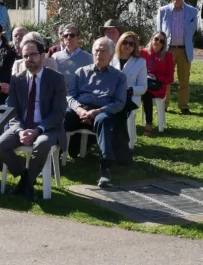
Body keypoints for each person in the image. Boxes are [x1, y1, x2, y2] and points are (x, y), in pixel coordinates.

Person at [0, 34, 68, 201]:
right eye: (25, 56)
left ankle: (26, 184)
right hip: (22, 125)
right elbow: (12, 110)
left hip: (47, 127)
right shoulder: (17, 79)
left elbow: (59, 112)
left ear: (43, 56)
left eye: (33, 55)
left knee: (41, 143)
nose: (28, 59)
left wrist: (37, 130)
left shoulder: (56, 79)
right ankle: (26, 178)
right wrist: (19, 130)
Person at [65, 37, 127, 187]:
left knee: (103, 120)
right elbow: (70, 96)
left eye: (103, 51)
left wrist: (97, 111)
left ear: (111, 56)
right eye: (96, 50)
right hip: (80, 110)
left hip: (102, 111)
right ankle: (51, 157)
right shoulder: (81, 72)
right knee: (63, 116)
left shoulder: (119, 77)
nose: (99, 54)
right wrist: (79, 110)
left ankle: (105, 168)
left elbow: (120, 102)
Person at [157, 0, 199, 115]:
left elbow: (193, 31)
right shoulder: (163, 11)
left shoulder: (193, 11)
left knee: (184, 79)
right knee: (165, 78)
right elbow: (159, 31)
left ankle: (183, 106)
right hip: (167, 50)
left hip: (184, 50)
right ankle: (164, 104)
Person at [111, 31, 148, 160]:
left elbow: (143, 87)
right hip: (111, 96)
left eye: (131, 44)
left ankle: (123, 147)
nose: (127, 46)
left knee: (120, 111)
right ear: (120, 43)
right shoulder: (111, 59)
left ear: (135, 47)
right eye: (125, 42)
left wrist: (129, 90)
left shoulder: (140, 62)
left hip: (130, 98)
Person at [140, 31, 175, 137]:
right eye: (156, 39)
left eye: (162, 41)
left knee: (146, 93)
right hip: (142, 83)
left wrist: (157, 77)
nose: (158, 42)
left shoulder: (168, 56)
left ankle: (149, 124)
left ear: (164, 44)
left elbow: (170, 78)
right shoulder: (142, 53)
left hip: (158, 86)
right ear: (151, 39)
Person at [52, 23, 93, 88]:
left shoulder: (89, 58)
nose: (68, 37)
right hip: (60, 96)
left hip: (80, 96)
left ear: (78, 38)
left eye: (72, 35)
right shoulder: (55, 57)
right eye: (66, 36)